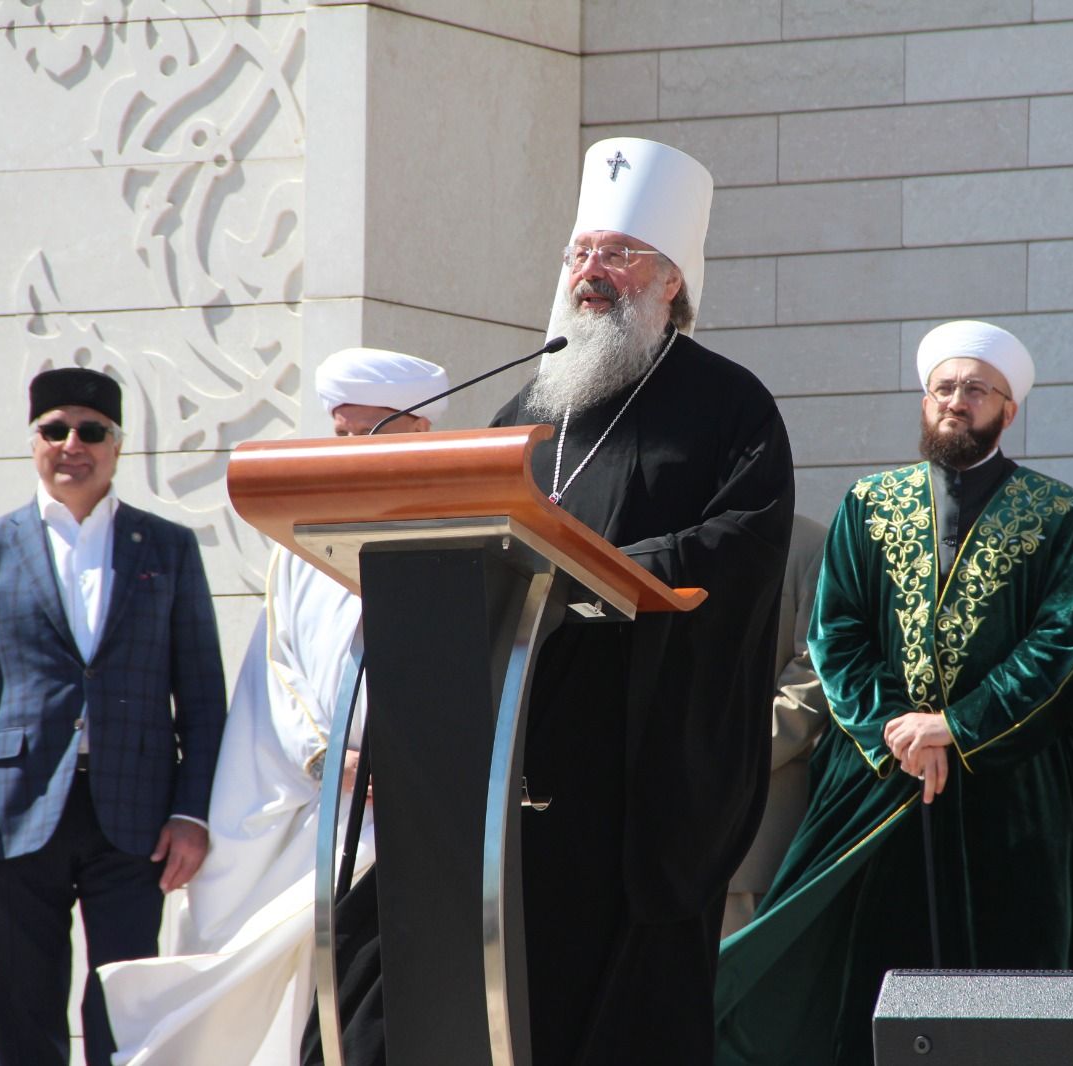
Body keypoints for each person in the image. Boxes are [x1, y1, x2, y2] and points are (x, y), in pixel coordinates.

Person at [715, 321, 1073, 1066]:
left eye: (975, 390)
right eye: (944, 389)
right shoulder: (870, 503)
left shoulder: (1056, 513)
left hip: (1007, 787)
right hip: (878, 781)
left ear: (1008, 409)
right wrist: (895, 727)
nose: (956, 403)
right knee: (842, 978)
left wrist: (955, 728)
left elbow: (1061, 644)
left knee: (1011, 993)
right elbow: (835, 633)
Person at [489, 136, 794, 1065]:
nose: (591, 272)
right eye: (581, 253)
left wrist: (610, 566)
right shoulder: (524, 411)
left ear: (672, 282)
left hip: (641, 775)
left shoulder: (732, 407)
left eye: (617, 255)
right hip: (519, 762)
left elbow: (742, 546)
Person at [96, 349, 449, 1065]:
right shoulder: (304, 540)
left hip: (415, 820)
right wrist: (329, 759)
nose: (345, 452)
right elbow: (276, 675)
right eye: (339, 435)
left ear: (416, 431)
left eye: (364, 435)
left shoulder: (460, 527)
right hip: (316, 811)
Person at [0, 367, 227, 1066]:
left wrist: (193, 812)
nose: (71, 444)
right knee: (19, 1014)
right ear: (33, 442)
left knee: (128, 1013)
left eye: (91, 431)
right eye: (54, 430)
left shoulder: (168, 550)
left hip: (137, 821)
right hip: (14, 812)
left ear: (117, 446)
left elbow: (203, 696)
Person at [723, 512, 829, 937]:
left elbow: (814, 675)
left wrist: (726, 758)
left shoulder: (811, 545)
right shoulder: (663, 538)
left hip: (760, 824)